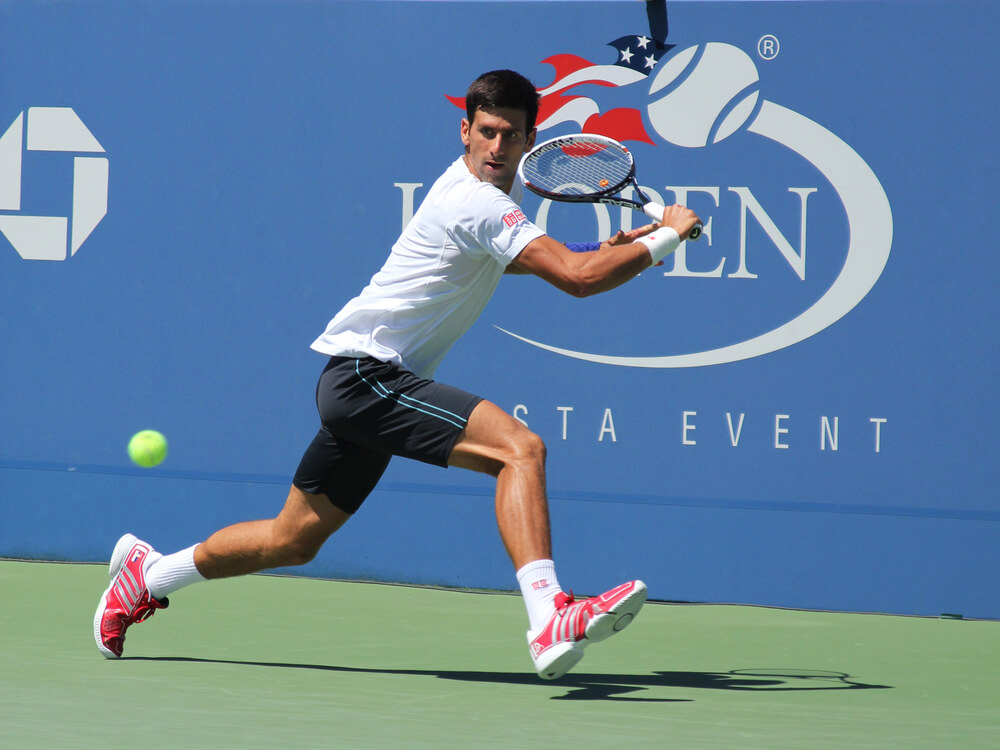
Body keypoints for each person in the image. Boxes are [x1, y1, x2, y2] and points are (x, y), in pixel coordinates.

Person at [93, 69, 701, 680]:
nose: (496, 147)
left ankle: (146, 575)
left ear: (527, 140)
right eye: (486, 132)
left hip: (356, 387)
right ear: (465, 131)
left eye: (510, 136)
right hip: (368, 377)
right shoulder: (479, 201)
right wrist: (668, 238)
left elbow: (532, 264)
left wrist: (627, 247)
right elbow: (576, 279)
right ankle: (549, 617)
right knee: (520, 451)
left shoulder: (477, 199)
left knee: (292, 539)